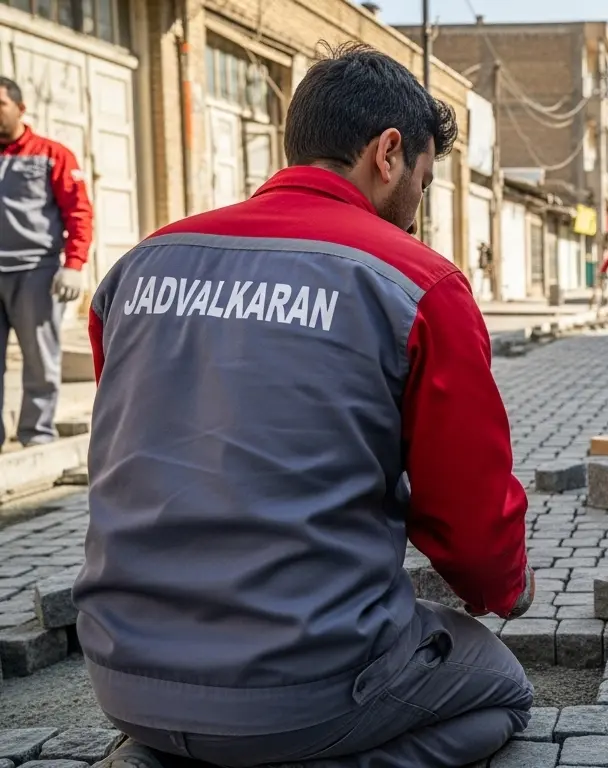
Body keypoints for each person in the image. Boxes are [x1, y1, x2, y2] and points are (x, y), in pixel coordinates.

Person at [78, 43, 535, 768]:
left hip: (123, 675)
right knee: (502, 691)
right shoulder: (416, 283)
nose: (417, 211)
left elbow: (128, 441)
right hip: (304, 683)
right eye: (423, 182)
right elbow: (466, 513)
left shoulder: (139, 266)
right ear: (389, 153)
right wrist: (506, 587)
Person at [0, 77, 92, 448]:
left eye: (0, 105)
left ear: (21, 108)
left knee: (40, 360)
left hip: (36, 272)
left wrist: (74, 264)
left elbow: (79, 212)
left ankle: (36, 435)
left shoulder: (52, 154)